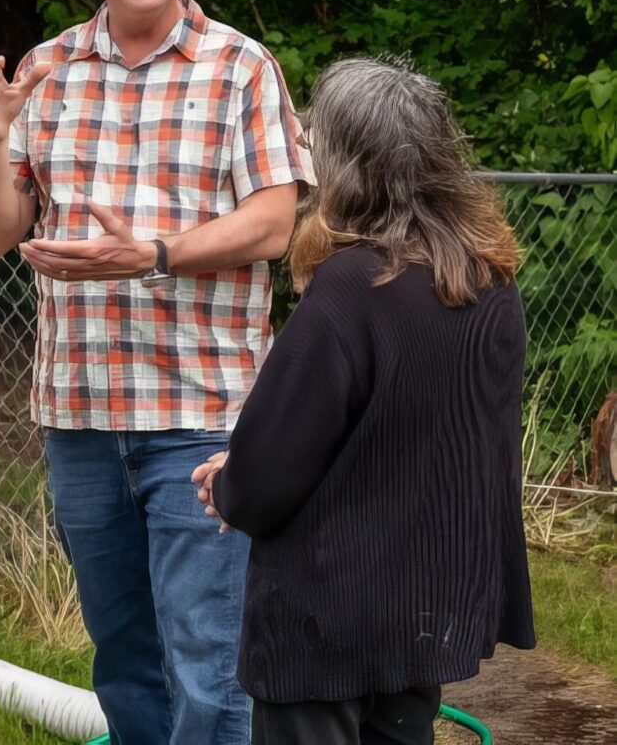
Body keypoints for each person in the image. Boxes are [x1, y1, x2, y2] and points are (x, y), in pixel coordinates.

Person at [0, 0, 313, 745]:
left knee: (209, 660)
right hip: (79, 417)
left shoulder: (239, 66)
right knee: (123, 657)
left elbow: (274, 224)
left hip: (203, 417)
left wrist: (152, 255)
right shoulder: (46, 69)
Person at [193, 57, 536, 745]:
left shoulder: (352, 286)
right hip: (425, 610)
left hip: (325, 621)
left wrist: (231, 483)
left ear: (348, 165)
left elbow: (271, 467)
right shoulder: (490, 282)